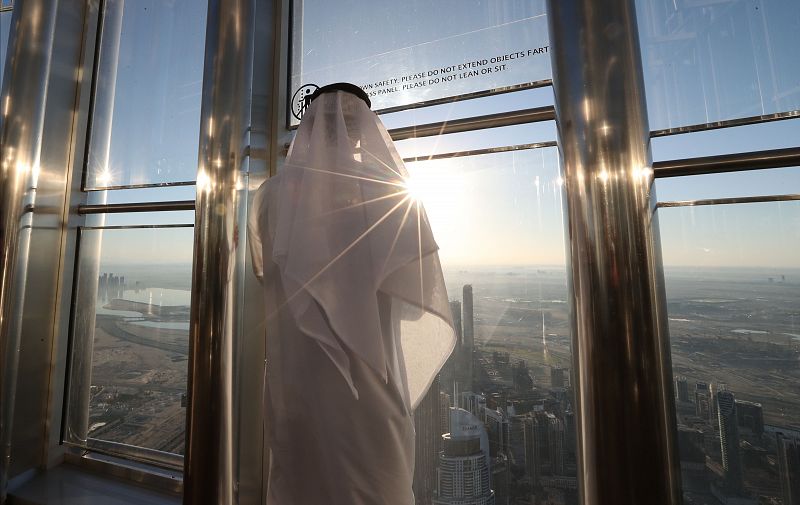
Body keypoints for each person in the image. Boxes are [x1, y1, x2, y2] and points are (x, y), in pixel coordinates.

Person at [248, 83, 455, 505]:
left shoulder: (268, 198)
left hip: (295, 388)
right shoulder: (389, 196)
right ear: (363, 130)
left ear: (306, 126)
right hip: (369, 395)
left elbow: (261, 274)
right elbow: (418, 303)